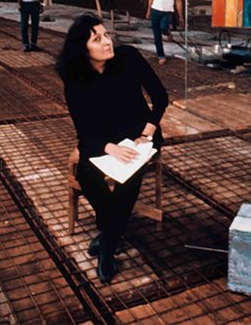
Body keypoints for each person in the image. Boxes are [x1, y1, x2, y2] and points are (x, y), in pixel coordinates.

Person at [56, 14, 167, 283]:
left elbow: (161, 97)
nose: (108, 42)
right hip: (101, 139)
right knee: (86, 174)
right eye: (98, 39)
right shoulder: (75, 77)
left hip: (140, 133)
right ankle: (110, 232)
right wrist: (109, 148)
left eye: (106, 35)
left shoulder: (128, 57)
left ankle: (106, 245)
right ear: (83, 48)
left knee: (128, 179)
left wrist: (146, 135)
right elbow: (83, 129)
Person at [145, 0, 183, 64]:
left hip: (167, 11)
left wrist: (180, 16)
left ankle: (167, 32)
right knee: (157, 36)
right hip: (155, 10)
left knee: (163, 27)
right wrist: (149, 10)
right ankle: (161, 56)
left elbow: (178, 1)